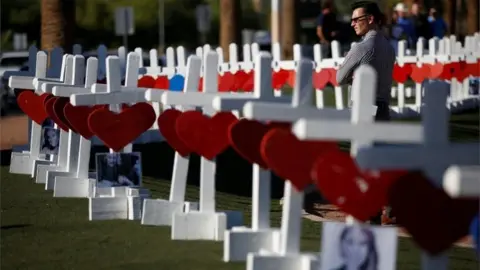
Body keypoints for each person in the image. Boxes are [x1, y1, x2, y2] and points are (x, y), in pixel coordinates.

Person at [336, 1, 396, 224]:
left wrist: (352, 75)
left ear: (370, 19)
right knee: (380, 161)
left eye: (356, 19)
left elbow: (339, 78)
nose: (352, 24)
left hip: (364, 109)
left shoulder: (360, 48)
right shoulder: (388, 46)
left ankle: (367, 208)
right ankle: (389, 206)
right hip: (383, 108)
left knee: (362, 161)